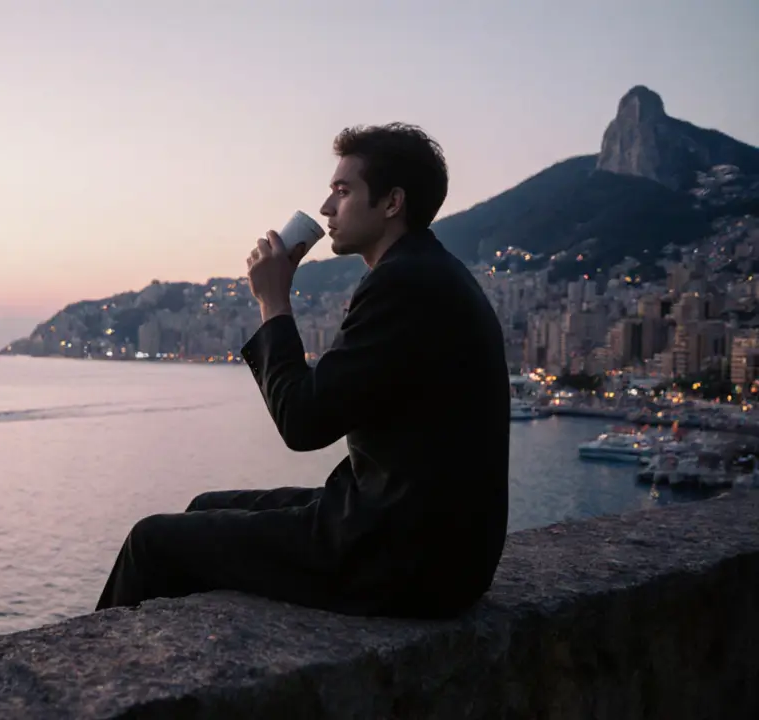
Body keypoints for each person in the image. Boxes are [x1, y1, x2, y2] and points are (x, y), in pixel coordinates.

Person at [94, 123, 509, 619]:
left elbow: (303, 422)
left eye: (342, 190)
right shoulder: (431, 272)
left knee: (151, 541)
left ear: (392, 202)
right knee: (206, 504)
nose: (327, 208)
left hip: (403, 557)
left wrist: (272, 299)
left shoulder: (403, 285)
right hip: (440, 546)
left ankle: (90, 678)